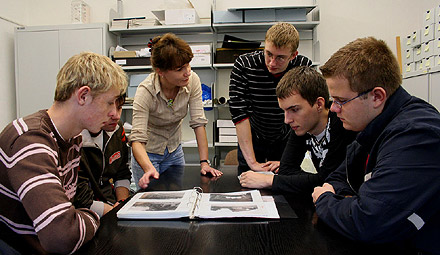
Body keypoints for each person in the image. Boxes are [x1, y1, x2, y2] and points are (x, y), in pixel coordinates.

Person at [312, 37, 440, 254]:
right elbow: (337, 177)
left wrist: (325, 199)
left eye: (340, 100)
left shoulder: (417, 134)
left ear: (377, 96)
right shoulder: (375, 125)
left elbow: (368, 220)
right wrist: (349, 200)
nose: (333, 109)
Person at [0, 52, 128, 254]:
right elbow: (62, 236)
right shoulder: (30, 141)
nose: (114, 113)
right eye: (110, 103)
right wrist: (94, 216)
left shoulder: (72, 138)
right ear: (83, 96)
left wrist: (76, 216)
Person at [239, 66, 357, 194]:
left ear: (319, 104)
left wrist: (270, 181)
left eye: (294, 110)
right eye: (284, 111)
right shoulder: (302, 127)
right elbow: (286, 170)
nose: (287, 120)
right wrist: (309, 180)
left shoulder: (342, 126)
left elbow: (327, 180)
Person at [130, 33, 223, 190]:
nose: (187, 72)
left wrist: (204, 162)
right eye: (180, 69)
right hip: (148, 154)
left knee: (178, 197)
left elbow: (198, 122)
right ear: (161, 72)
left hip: (174, 151)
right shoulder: (145, 92)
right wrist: (148, 168)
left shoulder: (192, 80)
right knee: (152, 204)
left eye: (188, 65)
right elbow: (137, 140)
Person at [228, 22, 312, 174]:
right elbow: (239, 113)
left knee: (285, 185)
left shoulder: (303, 67)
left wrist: (287, 160)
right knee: (247, 183)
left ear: (293, 55)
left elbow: (308, 114)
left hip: (288, 137)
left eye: (280, 58)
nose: (272, 63)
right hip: (253, 135)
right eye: (268, 54)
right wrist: (252, 163)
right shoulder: (244, 65)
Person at [74, 94, 131, 217]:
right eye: (108, 109)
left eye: (119, 107)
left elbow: (122, 173)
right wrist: (114, 213)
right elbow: (80, 198)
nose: (116, 116)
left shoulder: (117, 129)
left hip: (111, 203)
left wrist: (122, 203)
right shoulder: (75, 140)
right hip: (85, 212)